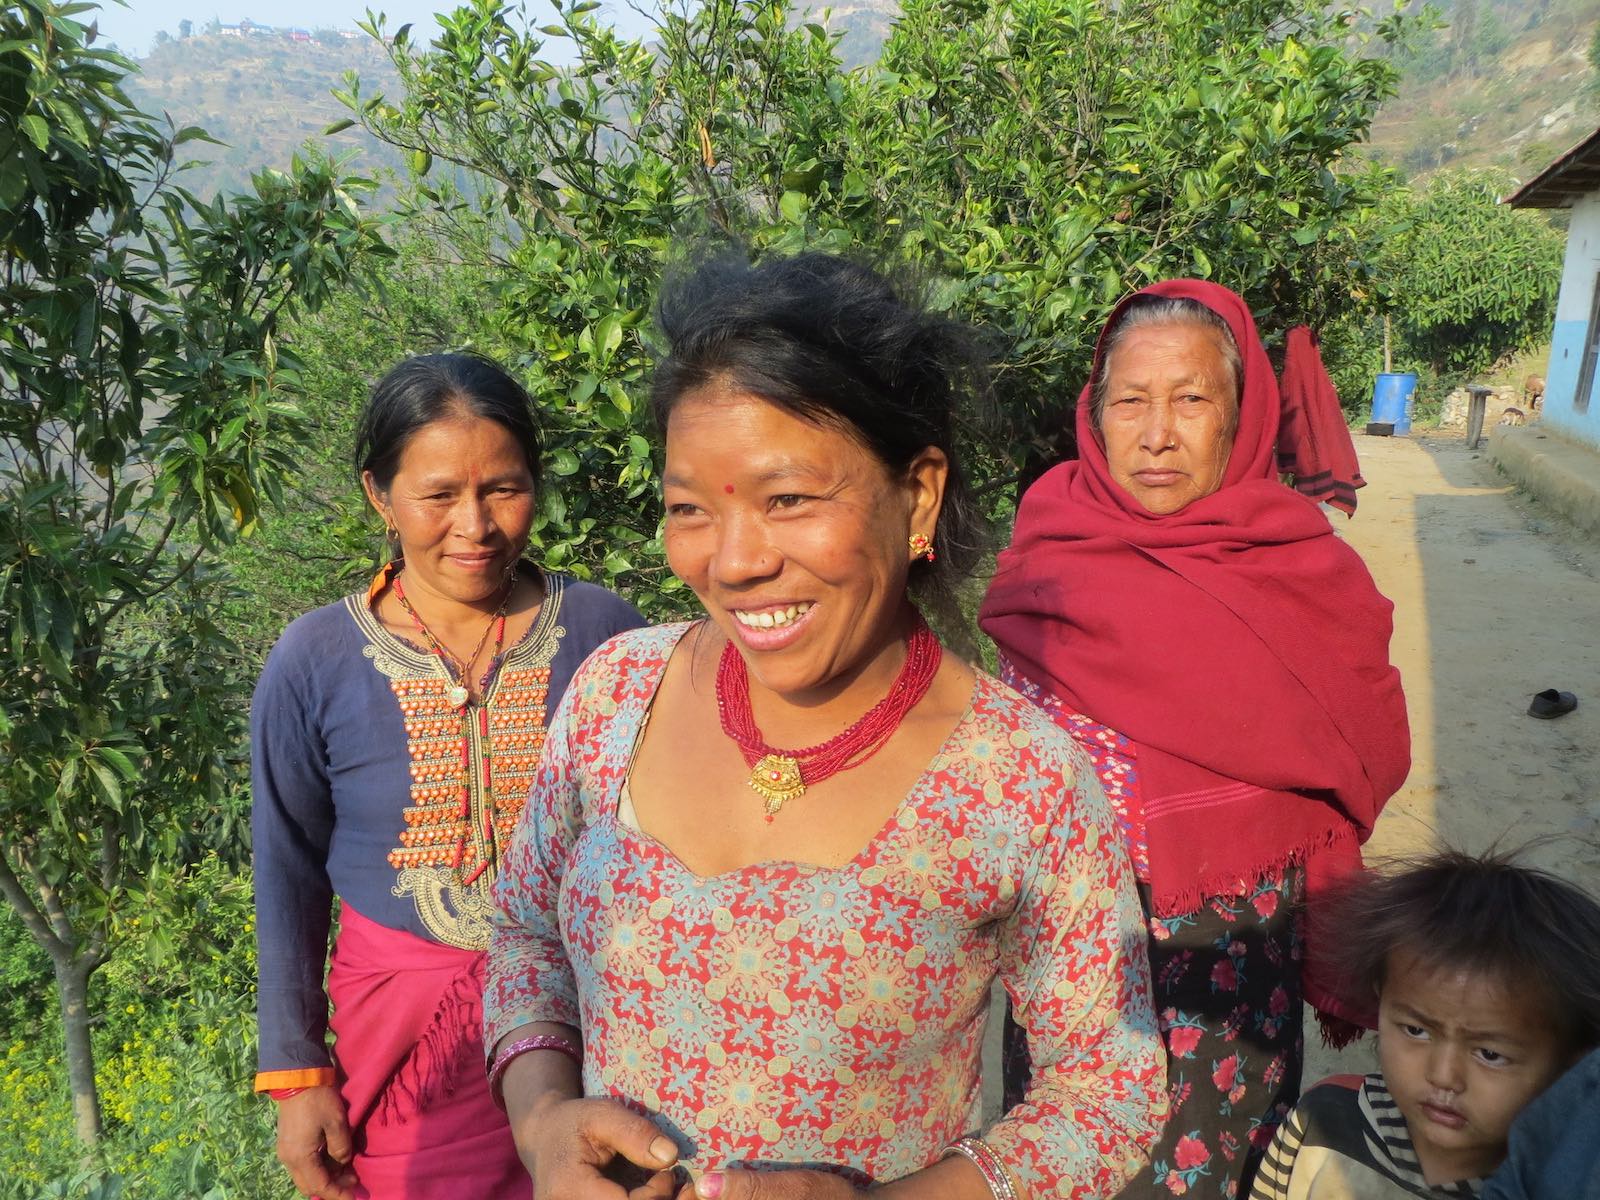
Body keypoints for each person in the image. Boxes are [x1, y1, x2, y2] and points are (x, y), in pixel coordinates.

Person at [484, 252, 1169, 1200]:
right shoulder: (614, 694)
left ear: (917, 495)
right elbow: (525, 934)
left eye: (788, 500)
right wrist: (544, 1121)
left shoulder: (1022, 781)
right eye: (690, 509)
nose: (733, 562)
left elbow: (1108, 1092)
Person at [979, 280, 1411, 1198]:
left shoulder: (1306, 570)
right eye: (1130, 400)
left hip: (1234, 973)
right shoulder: (1049, 548)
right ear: (1094, 417)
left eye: (1192, 399)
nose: (1158, 432)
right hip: (1071, 965)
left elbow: (1364, 748)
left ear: (1241, 416)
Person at [251, 353, 645, 1200]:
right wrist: (297, 1071)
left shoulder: (606, 631)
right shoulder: (314, 658)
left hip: (590, 1021)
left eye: (504, 489)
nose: (476, 525)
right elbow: (285, 872)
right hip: (400, 1051)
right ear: (377, 495)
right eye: (437, 496)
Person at [1250, 849, 1600, 1199]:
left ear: (1572, 1062)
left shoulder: (1553, 1181)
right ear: (1380, 999)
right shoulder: (1324, 1118)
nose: (1443, 1076)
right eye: (1415, 1031)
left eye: (1490, 1053)